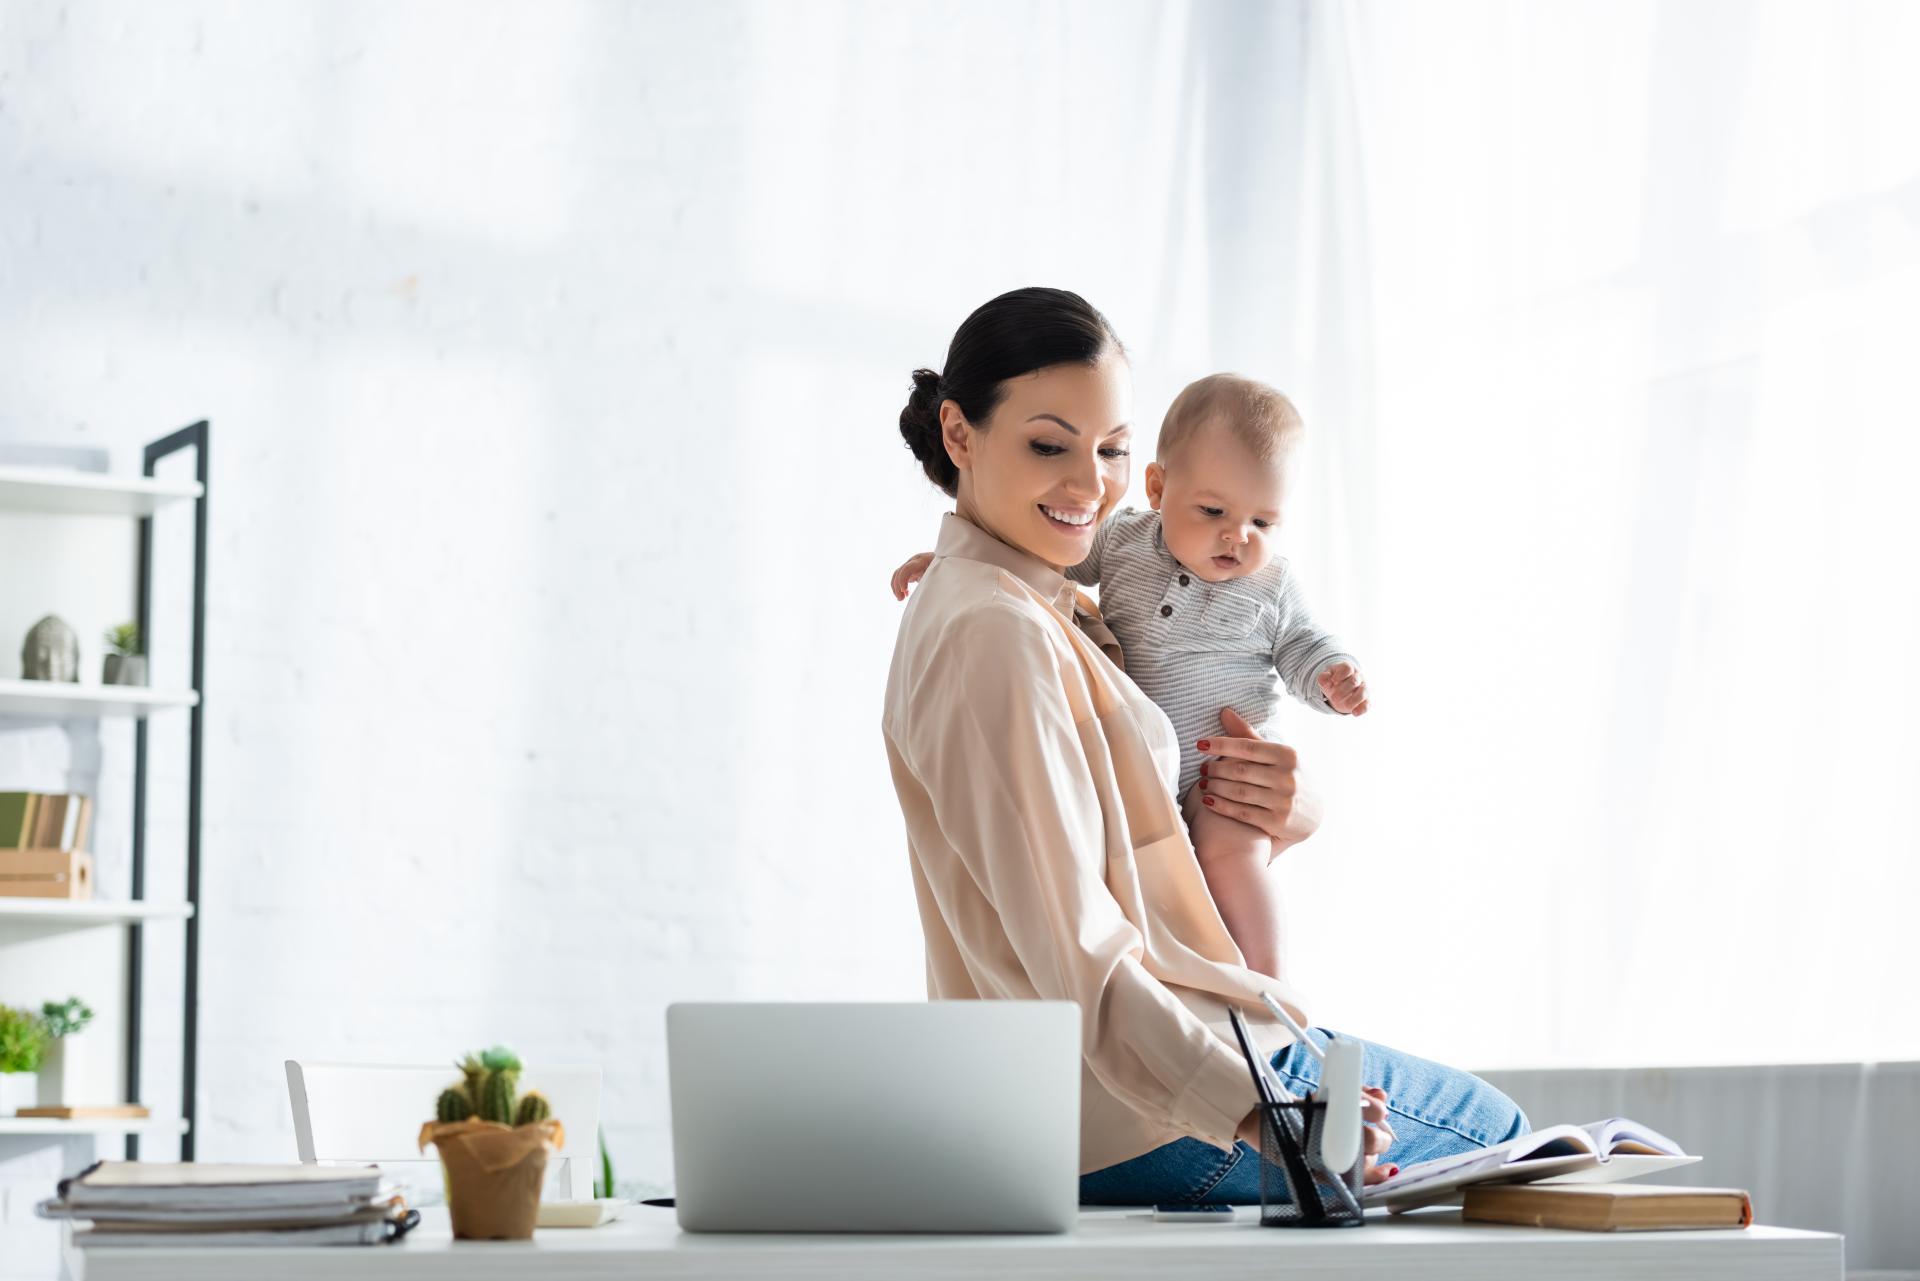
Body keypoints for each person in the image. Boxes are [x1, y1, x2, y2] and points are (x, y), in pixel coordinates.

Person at [883, 285, 1527, 1205]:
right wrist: (1253, 1106)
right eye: (1046, 444)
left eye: (1110, 449)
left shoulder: (1038, 609)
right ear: (959, 435)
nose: (1089, 485)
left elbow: (1123, 859)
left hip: (1121, 1087)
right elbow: (1075, 945)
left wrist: (1286, 811)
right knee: (1503, 1138)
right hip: (1133, 1110)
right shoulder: (996, 629)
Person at [893, 372, 1367, 981]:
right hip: (1146, 774)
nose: (1238, 536)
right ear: (1158, 487)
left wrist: (1333, 676)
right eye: (1214, 510)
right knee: (1175, 887)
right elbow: (1036, 557)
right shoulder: (1122, 541)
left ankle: (1266, 989)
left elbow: (1303, 644)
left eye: (1264, 523)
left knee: (1230, 861)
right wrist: (952, 560)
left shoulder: (1272, 583)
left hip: (1224, 769)